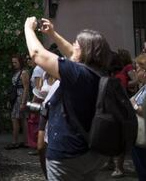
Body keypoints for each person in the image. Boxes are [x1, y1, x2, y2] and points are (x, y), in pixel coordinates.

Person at [24, 17, 111, 180]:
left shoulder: (77, 74)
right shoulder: (97, 72)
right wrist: (52, 34)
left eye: (76, 45)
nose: (73, 47)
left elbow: (37, 54)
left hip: (69, 155)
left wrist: (28, 28)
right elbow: (71, 52)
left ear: (85, 52)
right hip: (91, 153)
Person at [5, 54, 30, 149]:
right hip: (17, 97)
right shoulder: (19, 72)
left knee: (15, 119)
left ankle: (15, 142)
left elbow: (26, 88)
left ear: (20, 62)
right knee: (23, 119)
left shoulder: (23, 72)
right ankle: (26, 142)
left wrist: (23, 102)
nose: (14, 64)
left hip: (20, 98)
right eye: (13, 62)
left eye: (15, 62)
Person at [130, 53, 146, 180]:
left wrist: (134, 105)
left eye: (138, 69)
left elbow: (143, 111)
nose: (135, 72)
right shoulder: (143, 87)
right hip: (138, 138)